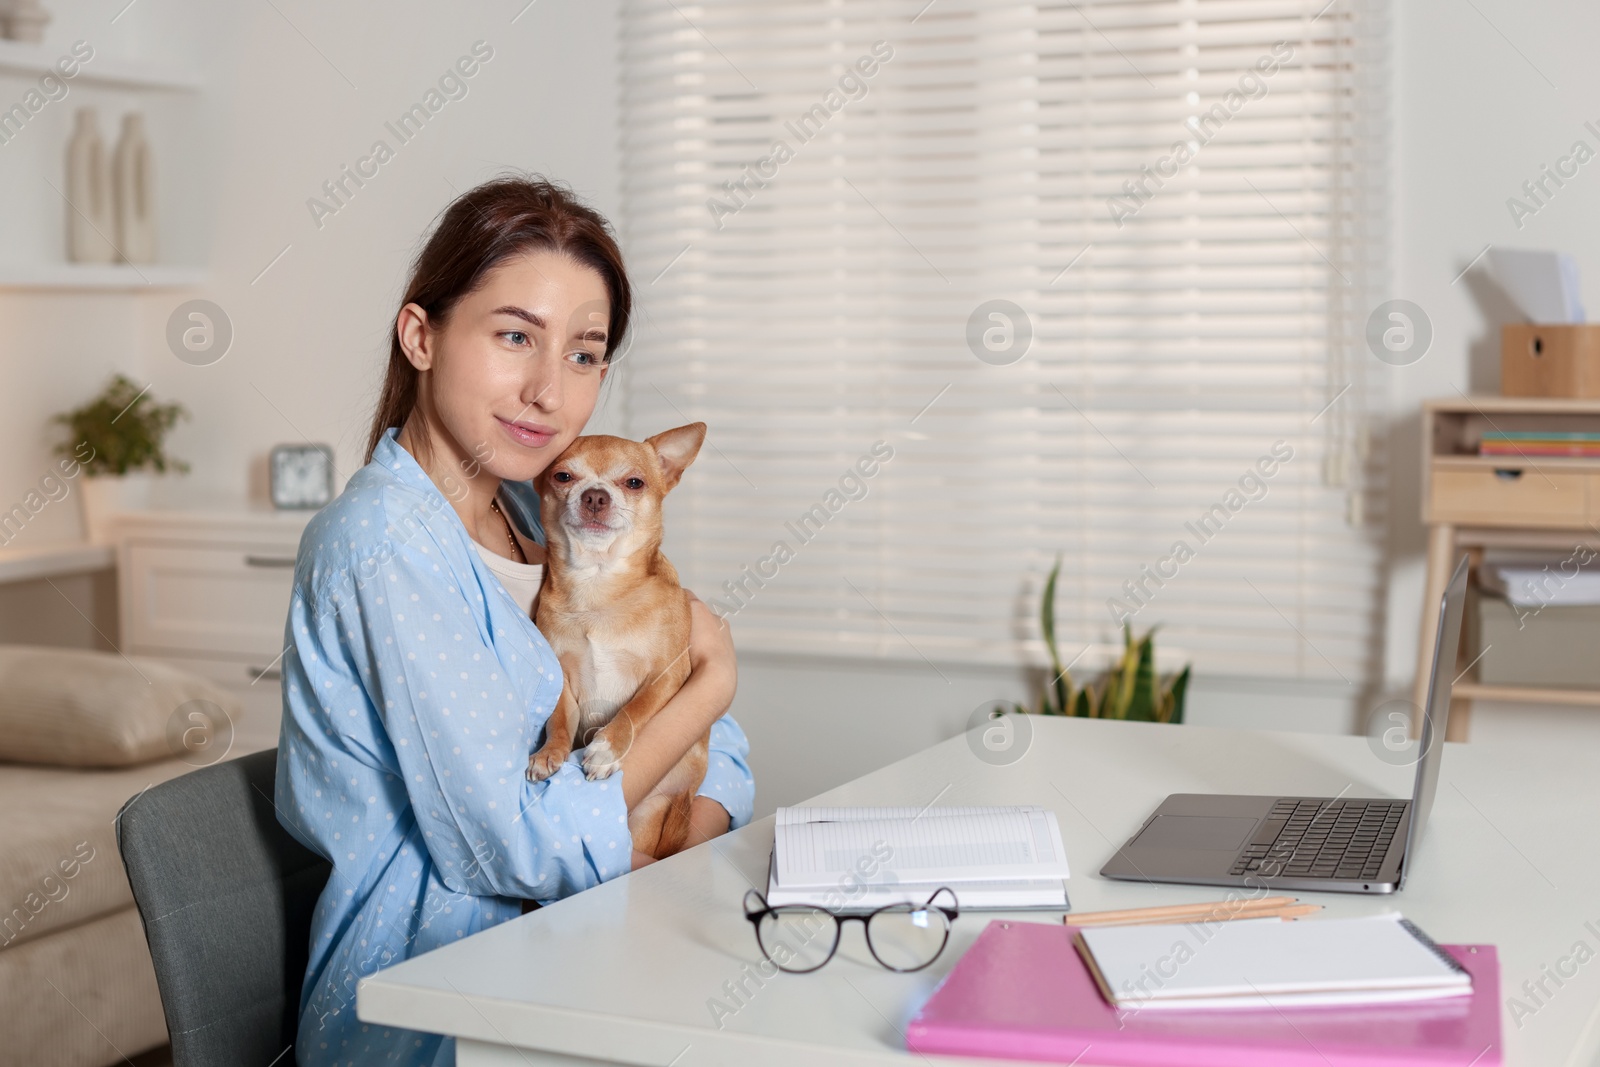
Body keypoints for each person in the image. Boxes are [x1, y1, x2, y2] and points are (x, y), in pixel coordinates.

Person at [274, 175, 754, 1067]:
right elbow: (522, 844)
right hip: (443, 1003)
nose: (547, 389)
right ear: (421, 336)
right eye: (513, 337)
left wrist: (678, 837)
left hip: (600, 937)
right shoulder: (382, 545)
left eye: (582, 354)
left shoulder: (549, 515)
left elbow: (717, 748)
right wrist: (712, 681)